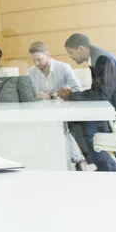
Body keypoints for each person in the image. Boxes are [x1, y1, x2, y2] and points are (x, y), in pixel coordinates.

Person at [58, 33, 116, 172]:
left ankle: (109, 168)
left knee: (84, 126)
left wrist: (71, 95)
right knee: (76, 123)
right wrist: (73, 95)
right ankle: (105, 166)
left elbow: (102, 93)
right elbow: (98, 90)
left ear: (81, 48)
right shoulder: (97, 59)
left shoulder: (104, 60)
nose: (70, 57)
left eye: (71, 53)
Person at [27, 41, 87, 171]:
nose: (37, 64)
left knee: (60, 128)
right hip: (42, 111)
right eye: (34, 61)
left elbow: (77, 89)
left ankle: (78, 159)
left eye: (39, 60)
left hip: (63, 109)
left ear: (48, 55)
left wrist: (52, 96)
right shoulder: (31, 72)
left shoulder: (63, 67)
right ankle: (69, 160)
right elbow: (30, 92)